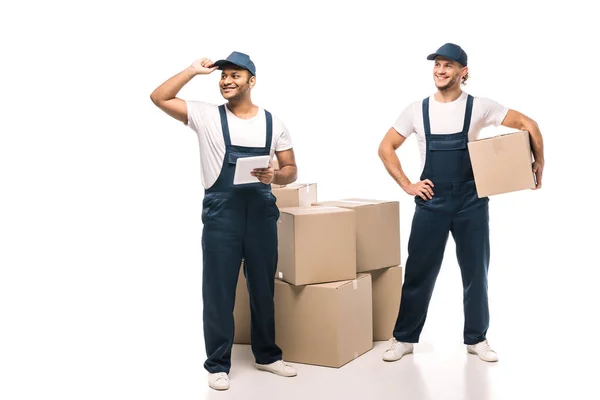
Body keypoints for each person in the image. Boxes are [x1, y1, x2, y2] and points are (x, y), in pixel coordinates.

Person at [378, 43, 544, 363]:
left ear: (462, 72)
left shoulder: (480, 106)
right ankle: (404, 338)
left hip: (472, 201)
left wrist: (539, 164)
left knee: (475, 273)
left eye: (448, 66)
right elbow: (386, 147)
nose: (440, 71)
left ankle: (476, 339)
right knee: (419, 271)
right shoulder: (417, 109)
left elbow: (529, 125)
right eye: (437, 65)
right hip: (431, 201)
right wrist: (408, 184)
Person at [150, 51, 298, 390]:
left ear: (252, 81)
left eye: (235, 75)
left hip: (261, 213)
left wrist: (275, 174)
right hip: (222, 216)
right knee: (218, 291)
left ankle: (268, 356)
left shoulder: (274, 123)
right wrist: (191, 70)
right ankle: (217, 364)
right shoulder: (205, 116)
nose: (226, 81)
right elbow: (159, 97)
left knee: (263, 287)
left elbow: (291, 170)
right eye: (223, 76)